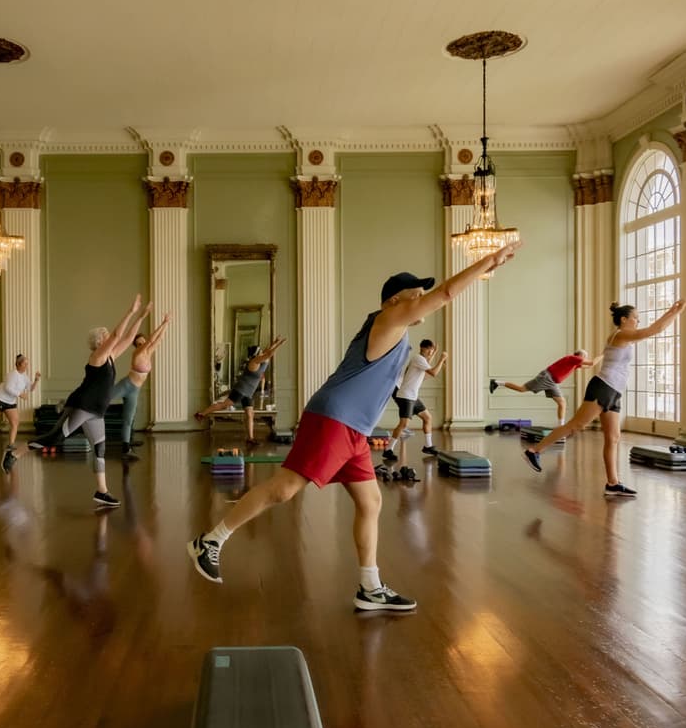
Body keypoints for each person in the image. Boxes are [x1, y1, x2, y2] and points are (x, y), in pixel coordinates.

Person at [187, 242, 521, 609]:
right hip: (335, 418)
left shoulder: (399, 331)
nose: (421, 298)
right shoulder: (388, 319)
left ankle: (370, 587)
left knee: (371, 501)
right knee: (284, 489)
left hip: (354, 429)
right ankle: (212, 540)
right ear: (395, 300)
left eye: (420, 294)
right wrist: (488, 261)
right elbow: (445, 294)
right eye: (415, 294)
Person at [524, 299, 686, 496]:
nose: (638, 321)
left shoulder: (626, 337)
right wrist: (675, 311)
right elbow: (654, 330)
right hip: (603, 386)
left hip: (614, 391)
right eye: (636, 318)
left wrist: (674, 311)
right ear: (624, 319)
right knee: (577, 425)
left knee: (613, 438)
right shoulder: (620, 335)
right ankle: (534, 451)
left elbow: (652, 330)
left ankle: (612, 483)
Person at [29, 294, 152, 507]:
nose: (109, 337)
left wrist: (142, 315)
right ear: (99, 341)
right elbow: (117, 334)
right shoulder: (97, 357)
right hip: (83, 405)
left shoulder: (111, 357)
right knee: (55, 438)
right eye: (105, 335)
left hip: (96, 410)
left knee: (99, 448)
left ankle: (101, 492)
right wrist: (130, 311)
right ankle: (17, 452)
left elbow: (128, 336)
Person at [194, 337, 287, 445]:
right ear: (257, 354)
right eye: (260, 351)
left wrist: (275, 343)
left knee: (249, 414)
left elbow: (267, 351)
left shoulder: (260, 359)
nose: (262, 351)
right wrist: (279, 345)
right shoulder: (255, 361)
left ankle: (250, 438)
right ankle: (201, 414)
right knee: (224, 405)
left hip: (248, 393)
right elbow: (268, 354)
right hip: (240, 390)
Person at [110, 313, 171, 461]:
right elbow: (151, 340)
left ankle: (126, 446)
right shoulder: (137, 353)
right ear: (137, 346)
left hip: (134, 390)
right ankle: (69, 404)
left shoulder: (148, 352)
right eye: (139, 344)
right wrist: (163, 323)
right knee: (101, 398)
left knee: (128, 418)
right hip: (126, 385)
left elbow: (158, 339)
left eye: (143, 343)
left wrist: (167, 324)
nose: (143, 345)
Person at [490, 350, 598, 425]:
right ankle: (497, 382)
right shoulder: (573, 358)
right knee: (521, 389)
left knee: (562, 403)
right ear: (580, 356)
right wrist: (604, 354)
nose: (585, 359)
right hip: (546, 378)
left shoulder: (575, 364)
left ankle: (560, 427)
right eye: (585, 357)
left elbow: (590, 365)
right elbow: (592, 362)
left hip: (553, 382)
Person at [382, 339, 447, 461]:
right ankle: (388, 450)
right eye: (429, 350)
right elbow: (433, 372)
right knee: (404, 424)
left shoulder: (421, 361)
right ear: (422, 348)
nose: (430, 352)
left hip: (413, 396)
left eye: (432, 350)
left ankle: (428, 446)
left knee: (428, 418)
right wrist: (442, 359)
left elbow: (427, 367)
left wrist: (433, 355)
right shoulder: (418, 358)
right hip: (406, 396)